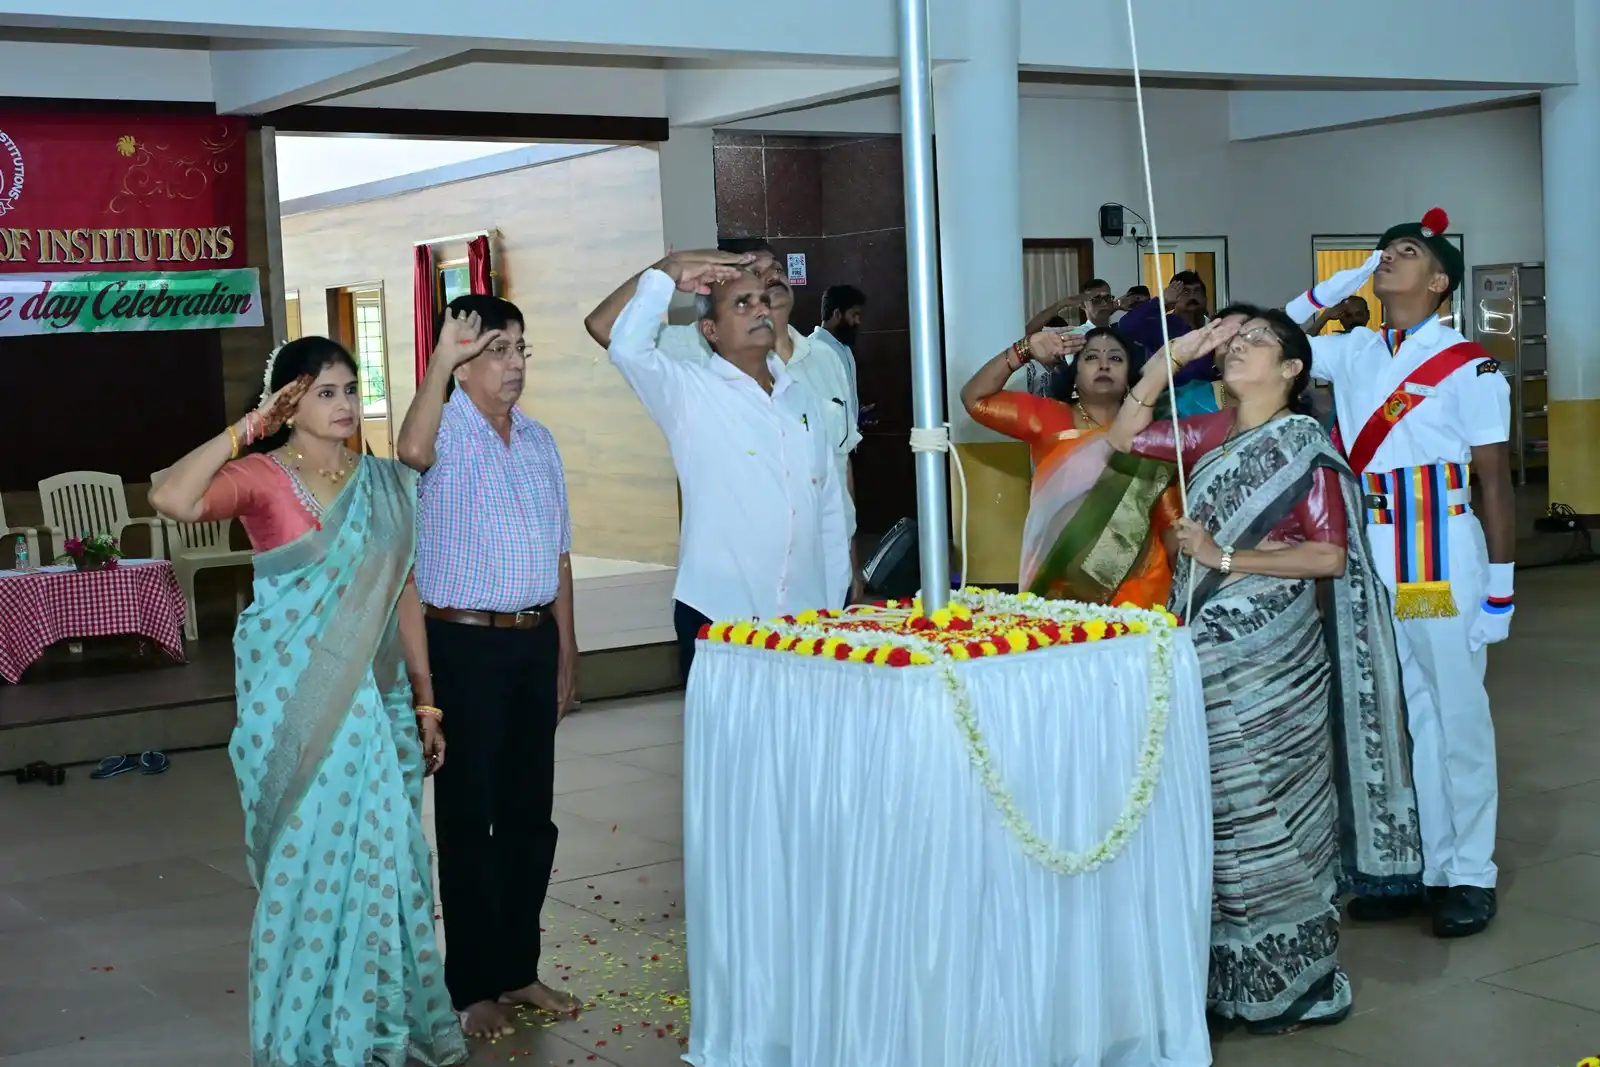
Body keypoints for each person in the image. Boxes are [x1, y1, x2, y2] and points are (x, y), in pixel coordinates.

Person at [149, 337, 465, 1067]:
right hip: (292, 710)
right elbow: (172, 496)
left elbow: (402, 591)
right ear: (290, 399)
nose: (346, 405)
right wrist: (248, 425)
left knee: (388, 867)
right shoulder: (261, 476)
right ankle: (303, 1041)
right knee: (304, 877)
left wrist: (426, 701)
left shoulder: (381, 483)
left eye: (351, 389)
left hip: (377, 703)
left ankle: (378, 1030)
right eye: (326, 392)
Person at [1107, 309, 1422, 1034]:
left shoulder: (1305, 446)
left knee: (1277, 808)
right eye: (1234, 339)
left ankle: (1303, 980)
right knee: (1221, 813)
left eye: (1258, 342)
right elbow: (1123, 438)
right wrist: (1167, 359)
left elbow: (1329, 556)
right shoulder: (1212, 435)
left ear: (1291, 371)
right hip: (1204, 646)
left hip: (1272, 656)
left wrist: (1221, 556)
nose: (1239, 347)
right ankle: (1232, 979)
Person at [1286, 208, 1515, 938]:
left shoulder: (1467, 364)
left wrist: (1502, 584)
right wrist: (1330, 289)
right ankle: (1424, 863)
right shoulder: (1352, 350)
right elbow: (1273, 340)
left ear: (1439, 280)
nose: (1387, 260)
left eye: (1405, 253)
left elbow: (1497, 482)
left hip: (1437, 546)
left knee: (1453, 711)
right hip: (1367, 544)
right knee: (1401, 710)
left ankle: (1470, 871)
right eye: (1382, 252)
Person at [394, 295, 581, 1039]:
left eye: (520, 350)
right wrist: (439, 359)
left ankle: (518, 966)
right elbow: (409, 451)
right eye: (497, 350)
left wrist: (567, 649)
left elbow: (561, 554)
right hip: (465, 647)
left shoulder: (539, 441)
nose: (514, 365)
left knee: (531, 817)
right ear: (462, 360)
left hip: (534, 641)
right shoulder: (442, 431)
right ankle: (472, 984)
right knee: (471, 819)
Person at [606, 255, 850, 677]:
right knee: (728, 743)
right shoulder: (690, 393)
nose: (760, 309)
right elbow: (627, 348)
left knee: (796, 743)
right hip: (719, 614)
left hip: (804, 622)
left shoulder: (800, 399)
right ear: (710, 331)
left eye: (761, 300)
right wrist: (669, 272)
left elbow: (827, 506)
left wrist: (830, 611)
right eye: (741, 303)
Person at [959, 325, 1182, 607]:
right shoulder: (1049, 418)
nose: (1103, 364)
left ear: (1130, 377)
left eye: (1115, 359)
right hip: (1058, 586)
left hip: (1140, 588)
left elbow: (1170, 520)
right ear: (1074, 375)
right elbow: (975, 399)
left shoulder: (1151, 435)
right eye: (1091, 358)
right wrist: (1023, 350)